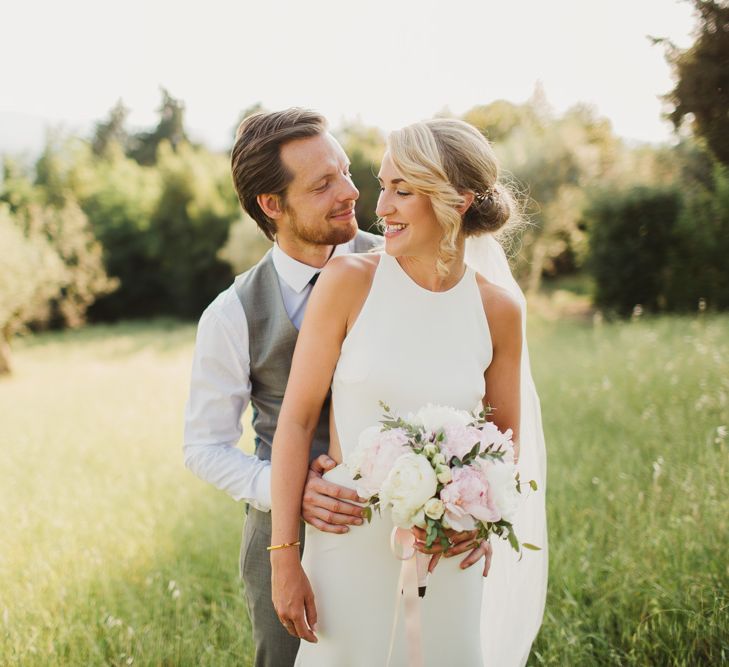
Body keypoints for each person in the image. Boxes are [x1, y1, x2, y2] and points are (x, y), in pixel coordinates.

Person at [183, 109, 493, 667]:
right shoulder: (231, 315)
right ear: (272, 206)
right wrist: (289, 487)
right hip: (289, 537)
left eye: (347, 171)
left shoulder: (402, 259)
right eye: (323, 184)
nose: (352, 192)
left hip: (410, 523)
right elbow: (202, 447)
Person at [269, 118, 547, 666]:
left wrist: (481, 519)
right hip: (346, 543)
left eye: (402, 190)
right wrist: (285, 556)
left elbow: (504, 444)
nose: (382, 207)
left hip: (449, 553)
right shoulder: (348, 282)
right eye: (382, 186)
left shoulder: (498, 311)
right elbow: (297, 421)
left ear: (457, 201)